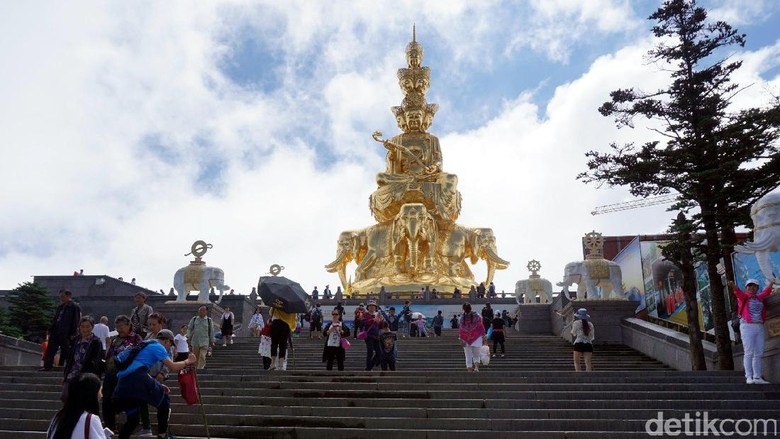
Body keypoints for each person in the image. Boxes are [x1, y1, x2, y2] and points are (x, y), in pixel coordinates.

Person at [112, 329, 196, 439]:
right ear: (167, 341)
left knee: (133, 419)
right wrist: (188, 361)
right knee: (164, 400)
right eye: (170, 344)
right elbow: (173, 367)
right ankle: (162, 435)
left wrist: (158, 385)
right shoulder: (158, 346)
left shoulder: (145, 344)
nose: (168, 348)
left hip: (124, 383)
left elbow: (137, 367)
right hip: (138, 379)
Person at [102, 315, 144, 433]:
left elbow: (140, 354)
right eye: (117, 327)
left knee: (129, 400)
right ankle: (110, 425)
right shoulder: (115, 339)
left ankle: (132, 424)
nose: (119, 329)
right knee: (107, 400)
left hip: (127, 375)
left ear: (128, 325)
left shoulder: (135, 338)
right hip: (111, 374)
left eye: (122, 326)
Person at [728, 279, 774, 384]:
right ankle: (748, 376)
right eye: (749, 286)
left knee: (758, 352)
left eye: (754, 286)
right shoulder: (744, 297)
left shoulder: (759, 298)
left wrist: (771, 283)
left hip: (759, 326)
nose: (751, 288)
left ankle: (757, 377)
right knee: (749, 352)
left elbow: (766, 291)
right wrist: (732, 285)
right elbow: (737, 291)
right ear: (746, 288)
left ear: (757, 288)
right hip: (747, 326)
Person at [47, 373, 108, 439]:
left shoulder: (58, 417)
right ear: (92, 394)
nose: (101, 395)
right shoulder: (91, 420)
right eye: (100, 391)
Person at [62, 316, 104, 401]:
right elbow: (70, 359)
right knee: (65, 397)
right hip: (73, 373)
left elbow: (96, 360)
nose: (85, 329)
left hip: (86, 375)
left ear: (92, 327)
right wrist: (65, 375)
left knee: (83, 399)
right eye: (82, 326)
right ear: (79, 327)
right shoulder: (75, 340)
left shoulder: (96, 342)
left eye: (88, 326)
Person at [42, 290, 81, 371]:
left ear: (68, 296)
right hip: (56, 330)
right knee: (51, 349)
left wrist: (73, 333)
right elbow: (55, 319)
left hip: (66, 332)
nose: (61, 299)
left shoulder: (74, 307)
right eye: (60, 297)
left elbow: (76, 320)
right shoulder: (60, 307)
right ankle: (47, 366)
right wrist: (50, 329)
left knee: (67, 350)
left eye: (63, 297)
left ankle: (70, 366)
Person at [458, 303, 486, 372]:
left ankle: (469, 370)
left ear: (463, 309)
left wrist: (461, 339)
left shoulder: (461, 318)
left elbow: (461, 330)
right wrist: (483, 335)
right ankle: (476, 368)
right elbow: (481, 326)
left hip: (466, 339)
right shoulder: (477, 316)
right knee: (476, 355)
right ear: (471, 308)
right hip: (477, 338)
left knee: (468, 356)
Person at [187, 305, 215, 370]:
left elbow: (211, 331)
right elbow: (189, 328)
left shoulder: (209, 320)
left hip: (205, 341)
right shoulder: (194, 319)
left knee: (202, 356)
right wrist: (188, 336)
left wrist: (212, 340)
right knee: (195, 357)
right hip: (195, 342)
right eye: (200, 310)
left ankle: (200, 369)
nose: (201, 312)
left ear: (206, 312)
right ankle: (196, 370)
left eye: (203, 310)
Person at [361, 300, 383, 370]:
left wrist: (381, 320)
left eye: (373, 306)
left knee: (379, 353)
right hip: (369, 335)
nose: (372, 307)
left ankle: (370, 366)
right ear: (368, 307)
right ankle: (368, 368)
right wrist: (372, 319)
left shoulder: (377, 314)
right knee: (370, 352)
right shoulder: (365, 314)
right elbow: (363, 323)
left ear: (375, 307)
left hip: (376, 336)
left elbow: (381, 326)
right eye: (370, 306)